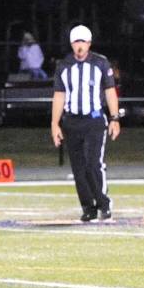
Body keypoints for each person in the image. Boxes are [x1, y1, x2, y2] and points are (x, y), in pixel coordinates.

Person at [51, 25, 121, 221]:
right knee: (78, 168)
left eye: (83, 41)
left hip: (94, 120)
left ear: (89, 43)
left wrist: (115, 118)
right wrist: (55, 124)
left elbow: (110, 91)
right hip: (72, 121)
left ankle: (103, 203)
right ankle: (88, 206)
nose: (79, 46)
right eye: (76, 42)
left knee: (93, 163)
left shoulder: (100, 63)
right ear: (71, 43)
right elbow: (59, 95)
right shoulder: (64, 66)